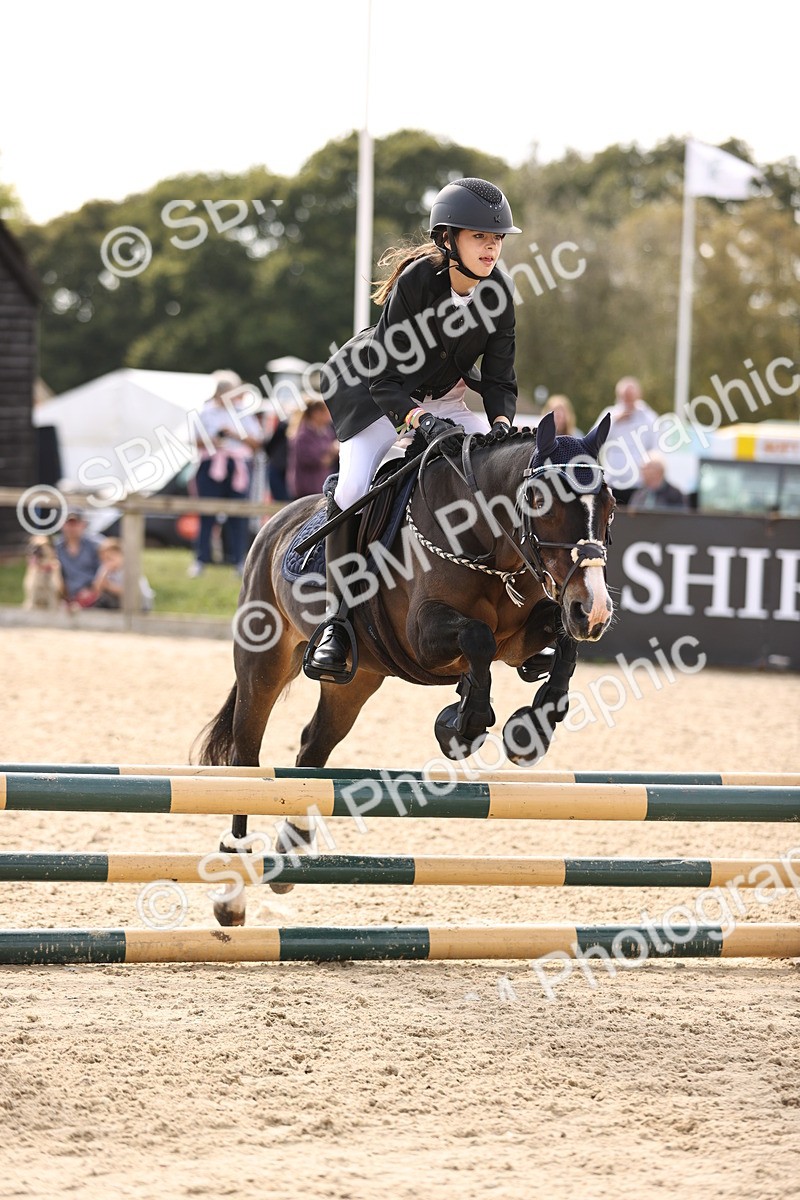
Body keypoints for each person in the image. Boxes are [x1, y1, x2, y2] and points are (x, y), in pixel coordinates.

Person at [306, 176, 521, 681]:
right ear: (449, 240)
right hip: (374, 393)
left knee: (498, 468)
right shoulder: (418, 282)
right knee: (357, 486)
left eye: (496, 239)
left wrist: (503, 426)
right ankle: (336, 623)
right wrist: (418, 421)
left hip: (443, 395)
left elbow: (499, 380)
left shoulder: (500, 295)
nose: (491, 248)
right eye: (479, 237)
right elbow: (384, 377)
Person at [188, 374, 263, 577]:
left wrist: (235, 435)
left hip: (237, 465)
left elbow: (257, 443)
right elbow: (195, 441)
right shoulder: (206, 412)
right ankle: (201, 559)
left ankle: (239, 560)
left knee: (238, 515)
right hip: (212, 463)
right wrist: (214, 439)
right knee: (207, 513)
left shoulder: (243, 413)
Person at [593, 376, 658, 505]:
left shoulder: (648, 417)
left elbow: (656, 446)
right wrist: (614, 421)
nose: (628, 402)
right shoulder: (610, 414)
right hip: (613, 481)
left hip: (638, 482)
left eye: (631, 397)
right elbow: (593, 440)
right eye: (625, 397)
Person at [287, 401, 339, 499]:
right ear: (316, 413)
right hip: (306, 488)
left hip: (319, 485)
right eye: (325, 412)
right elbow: (314, 460)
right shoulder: (303, 435)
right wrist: (331, 451)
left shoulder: (326, 432)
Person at [55, 509, 101, 606]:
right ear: (62, 525)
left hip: (93, 595)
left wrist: (91, 590)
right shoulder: (55, 548)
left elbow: (101, 570)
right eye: (69, 524)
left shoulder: (95, 545)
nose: (72, 528)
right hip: (64, 596)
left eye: (75, 524)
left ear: (83, 525)